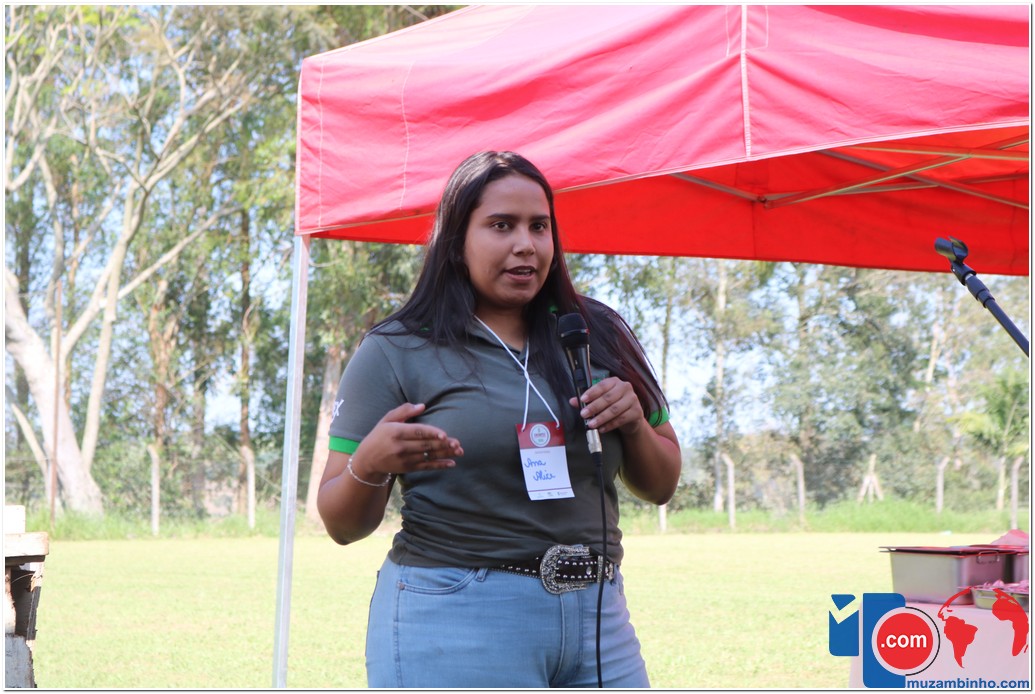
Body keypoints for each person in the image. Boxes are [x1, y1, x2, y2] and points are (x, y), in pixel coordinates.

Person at [317, 150, 681, 688]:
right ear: (456, 241)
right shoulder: (396, 348)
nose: (526, 244)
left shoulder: (597, 332)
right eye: (501, 225)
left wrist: (633, 424)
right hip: (457, 616)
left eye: (539, 226)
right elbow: (341, 525)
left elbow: (662, 484)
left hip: (598, 619)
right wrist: (368, 465)